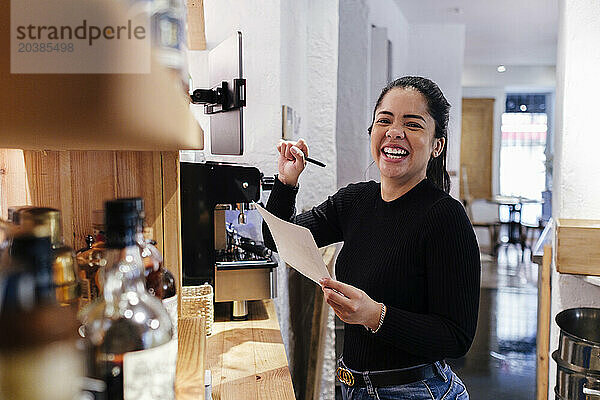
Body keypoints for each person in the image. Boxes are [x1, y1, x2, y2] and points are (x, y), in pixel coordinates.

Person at [262, 76, 480, 400]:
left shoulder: (446, 217)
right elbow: (277, 238)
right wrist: (286, 180)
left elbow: (457, 337)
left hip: (416, 391)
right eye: (385, 120)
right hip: (353, 388)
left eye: (413, 124)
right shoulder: (354, 201)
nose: (394, 131)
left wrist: (375, 315)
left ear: (437, 145)